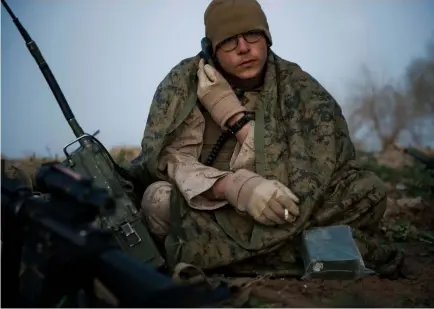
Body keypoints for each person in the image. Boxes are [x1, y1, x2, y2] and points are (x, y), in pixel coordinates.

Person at [126, 0, 405, 277]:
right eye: (229, 41)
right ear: (212, 49)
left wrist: (233, 117)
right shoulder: (187, 85)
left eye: (252, 34)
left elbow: (314, 171)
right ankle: (314, 247)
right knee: (158, 201)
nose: (244, 48)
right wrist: (232, 187)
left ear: (267, 37)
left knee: (368, 190)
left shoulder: (300, 88)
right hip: (219, 209)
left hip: (289, 204)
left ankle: (215, 255)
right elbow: (172, 160)